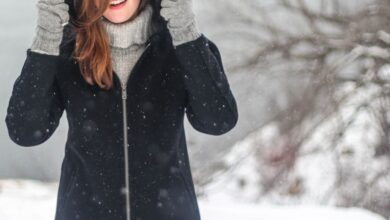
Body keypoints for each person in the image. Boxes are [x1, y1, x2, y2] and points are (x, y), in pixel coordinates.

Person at [4, 0, 239, 219]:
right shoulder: (68, 52)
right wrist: (47, 34)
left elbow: (218, 121)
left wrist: (184, 27)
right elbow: (25, 131)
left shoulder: (182, 47)